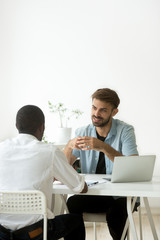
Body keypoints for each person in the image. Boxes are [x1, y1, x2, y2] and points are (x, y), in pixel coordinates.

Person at [0, 105, 88, 240]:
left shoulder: (2, 148)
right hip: (35, 233)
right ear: (42, 127)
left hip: (3, 233)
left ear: (17, 125)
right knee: (75, 221)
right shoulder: (49, 151)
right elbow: (80, 187)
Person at [63, 88, 138, 240]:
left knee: (117, 211)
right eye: (94, 107)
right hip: (94, 192)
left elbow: (134, 167)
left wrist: (103, 147)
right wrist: (70, 146)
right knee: (72, 203)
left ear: (114, 112)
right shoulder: (83, 131)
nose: (96, 114)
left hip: (119, 195)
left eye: (103, 110)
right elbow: (63, 167)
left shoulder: (126, 131)